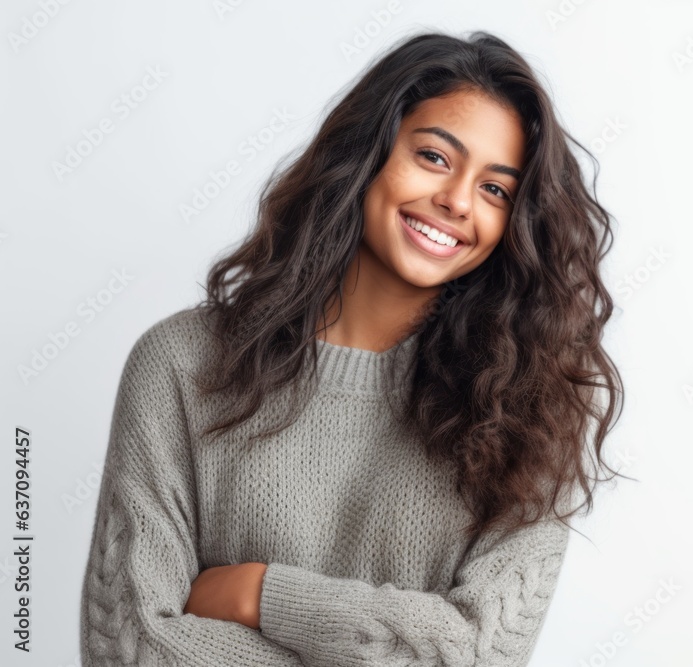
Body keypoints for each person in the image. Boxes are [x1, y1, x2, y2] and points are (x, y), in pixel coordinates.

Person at [79, 29, 625, 666]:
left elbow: (479, 657)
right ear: (368, 153)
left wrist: (263, 594)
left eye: (495, 190)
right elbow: (130, 647)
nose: (455, 201)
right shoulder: (181, 365)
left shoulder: (536, 410)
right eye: (434, 157)